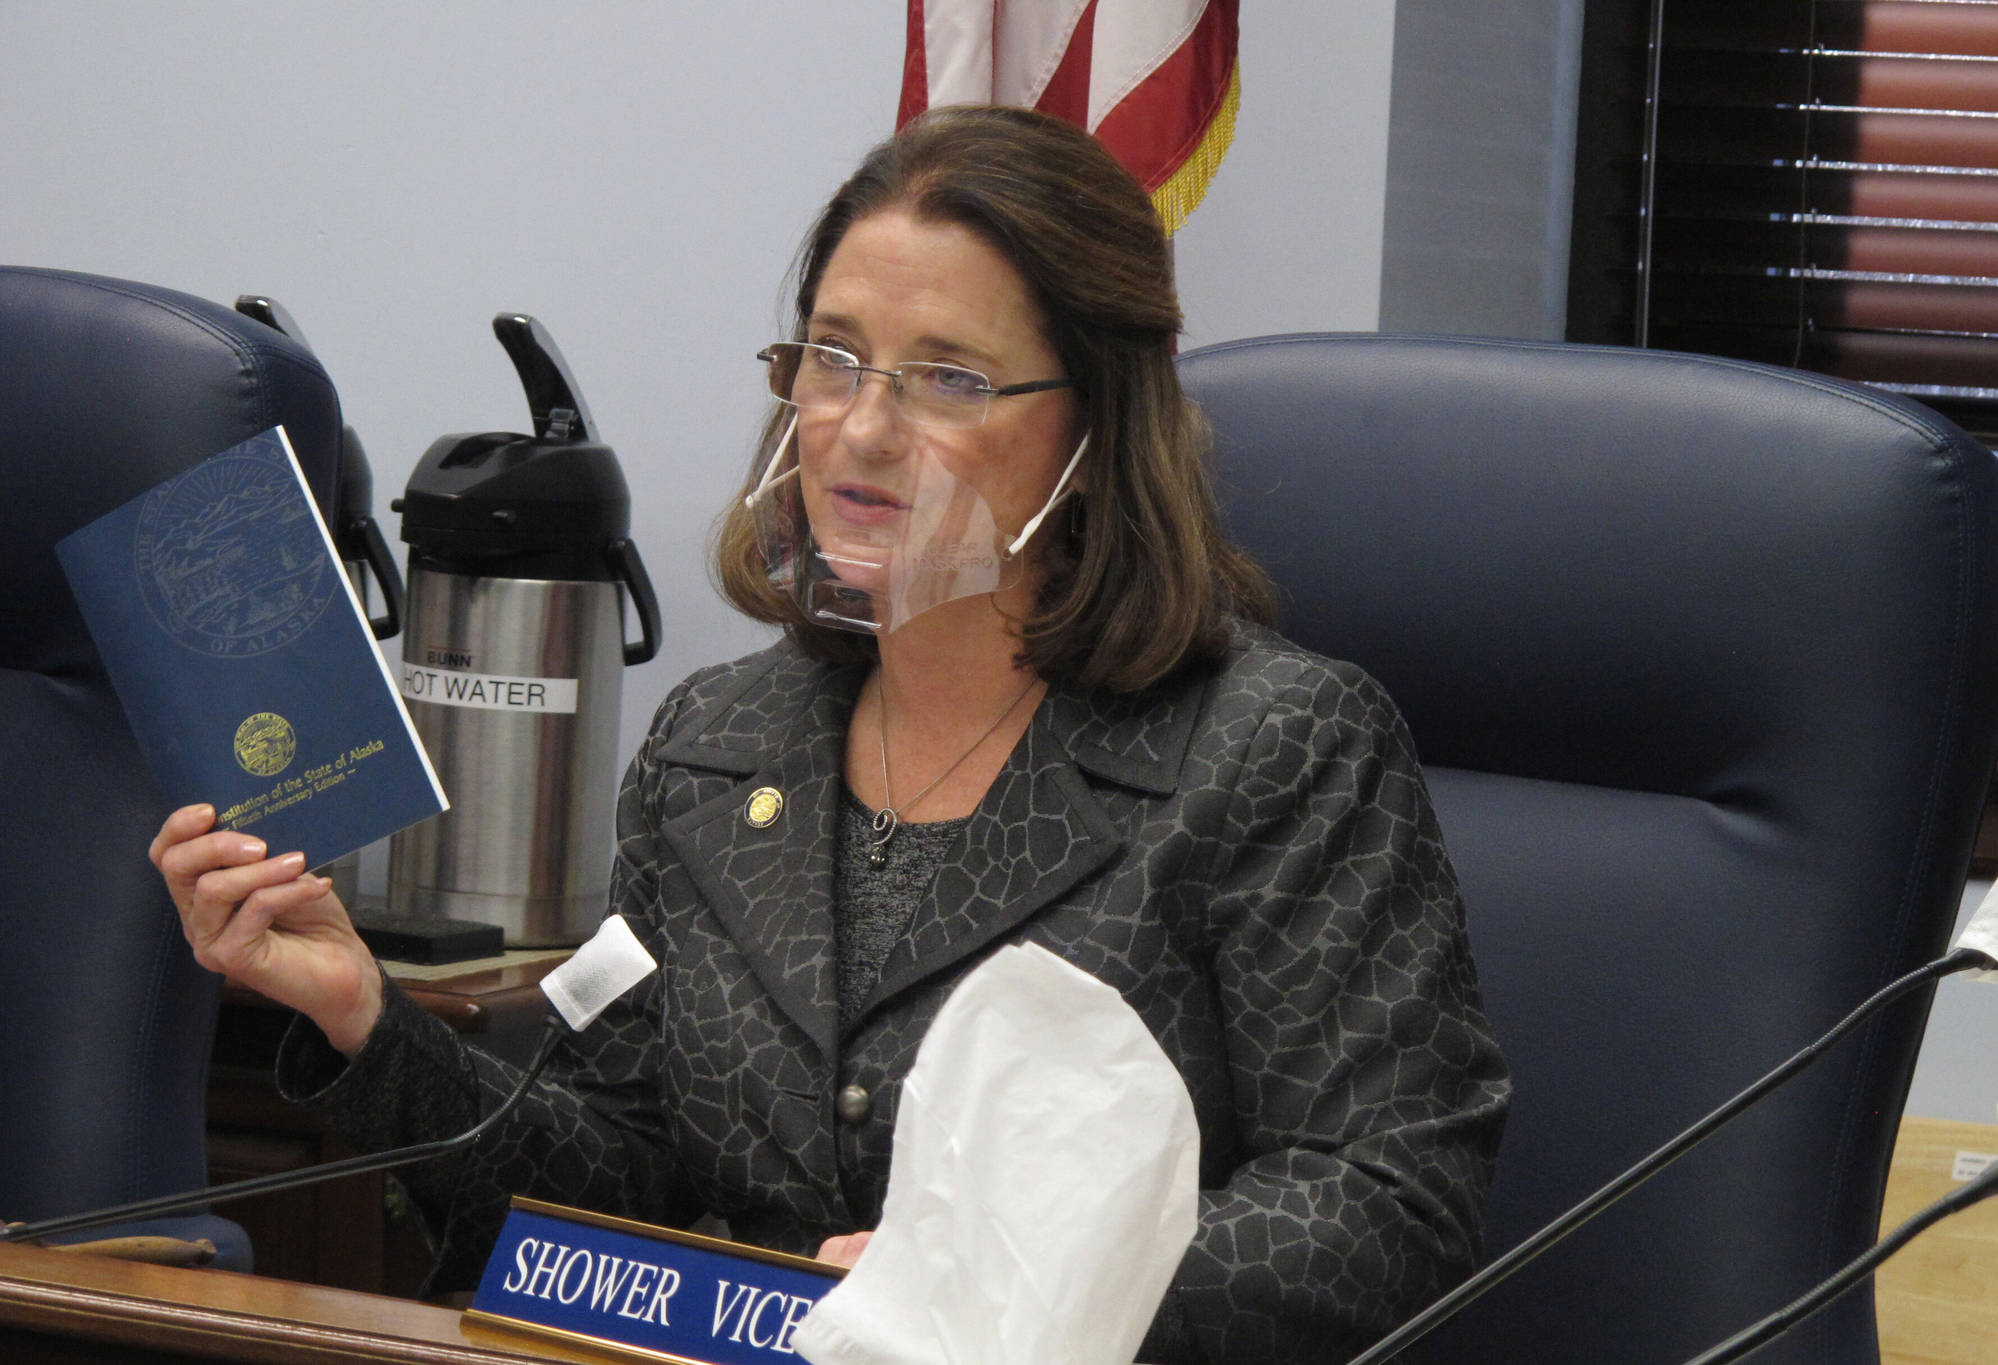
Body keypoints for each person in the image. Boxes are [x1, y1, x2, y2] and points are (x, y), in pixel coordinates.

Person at [153, 105, 1510, 1365]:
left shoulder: (1278, 748)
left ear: (1095, 426)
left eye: (948, 380)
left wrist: (992, 1292)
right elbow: (618, 1190)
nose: (861, 430)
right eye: (833, 358)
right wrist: (366, 1015)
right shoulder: (716, 746)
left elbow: (1383, 1206)